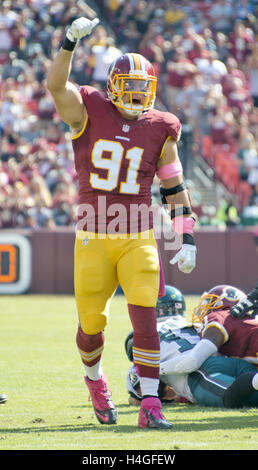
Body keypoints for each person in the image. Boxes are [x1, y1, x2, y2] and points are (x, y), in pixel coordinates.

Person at [47, 17, 196, 429]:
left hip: (138, 236)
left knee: (146, 318)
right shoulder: (90, 109)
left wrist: (188, 236)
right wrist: (68, 44)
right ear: (114, 86)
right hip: (93, 235)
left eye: (141, 87)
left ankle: (150, 405)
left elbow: (174, 186)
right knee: (92, 325)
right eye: (128, 85)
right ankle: (95, 380)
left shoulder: (161, 127)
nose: (134, 93)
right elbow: (57, 87)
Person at [125, 285, 258, 408]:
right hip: (230, 362)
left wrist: (154, 371)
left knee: (235, 399)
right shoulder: (194, 326)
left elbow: (138, 393)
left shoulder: (145, 335)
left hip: (197, 372)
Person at [171, 284, 258, 377]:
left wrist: (159, 369)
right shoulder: (242, 329)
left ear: (226, 307)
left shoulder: (221, 317)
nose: (205, 307)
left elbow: (193, 361)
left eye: (211, 302)